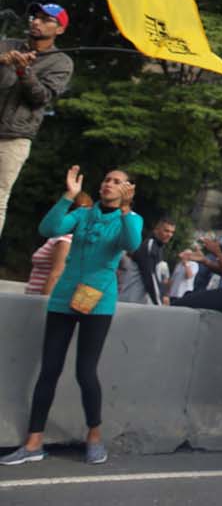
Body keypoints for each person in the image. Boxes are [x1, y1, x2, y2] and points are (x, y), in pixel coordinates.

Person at [1, 166, 139, 467]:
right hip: (64, 298)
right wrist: (69, 196)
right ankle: (34, 441)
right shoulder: (84, 213)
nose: (108, 185)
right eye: (106, 180)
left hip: (98, 301)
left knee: (85, 371)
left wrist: (127, 211)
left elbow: (132, 244)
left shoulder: (130, 219)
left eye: (116, 182)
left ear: (127, 188)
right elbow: (48, 230)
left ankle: (94, 435)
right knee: (49, 369)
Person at [0, 3, 74, 236]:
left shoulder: (61, 62)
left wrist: (25, 71)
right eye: (35, 17)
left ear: (59, 29)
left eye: (46, 19)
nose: (36, 21)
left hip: (14, 138)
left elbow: (41, 98)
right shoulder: (6, 44)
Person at [118, 217, 175, 305]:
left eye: (172, 232)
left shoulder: (158, 248)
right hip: (131, 299)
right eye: (166, 231)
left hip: (140, 300)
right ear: (156, 230)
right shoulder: (150, 245)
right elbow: (150, 277)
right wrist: (159, 302)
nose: (170, 235)